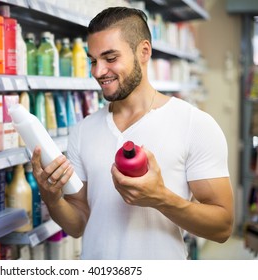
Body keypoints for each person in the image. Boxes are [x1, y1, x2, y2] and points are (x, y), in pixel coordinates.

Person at [31, 7, 234, 259]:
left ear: (144, 52)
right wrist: (52, 199)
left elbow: (223, 227)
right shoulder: (83, 130)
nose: (97, 71)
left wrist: (160, 198)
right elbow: (78, 224)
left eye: (110, 58)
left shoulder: (194, 123)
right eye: (93, 60)